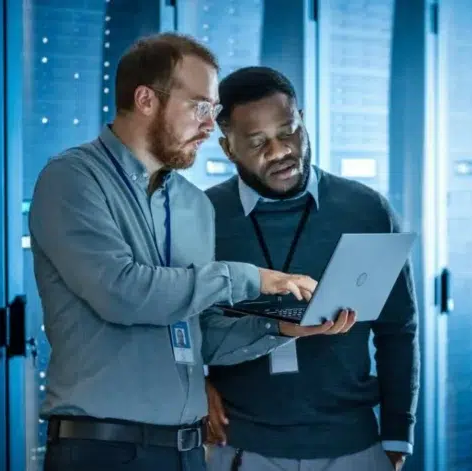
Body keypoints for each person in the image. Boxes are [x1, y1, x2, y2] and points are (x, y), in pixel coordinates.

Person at [28, 34, 356, 471]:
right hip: (102, 450)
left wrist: (284, 330)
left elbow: (199, 333)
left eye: (213, 111)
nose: (209, 125)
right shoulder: (72, 180)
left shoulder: (193, 204)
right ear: (146, 99)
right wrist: (253, 278)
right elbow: (122, 293)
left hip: (185, 452)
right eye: (201, 107)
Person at [203, 66, 420, 471]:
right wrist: (195, 387)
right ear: (228, 148)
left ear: (302, 120)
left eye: (288, 131)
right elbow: (172, 325)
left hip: (354, 446)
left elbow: (398, 330)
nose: (280, 151)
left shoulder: (365, 209)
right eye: (257, 142)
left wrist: (396, 433)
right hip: (241, 446)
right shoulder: (201, 216)